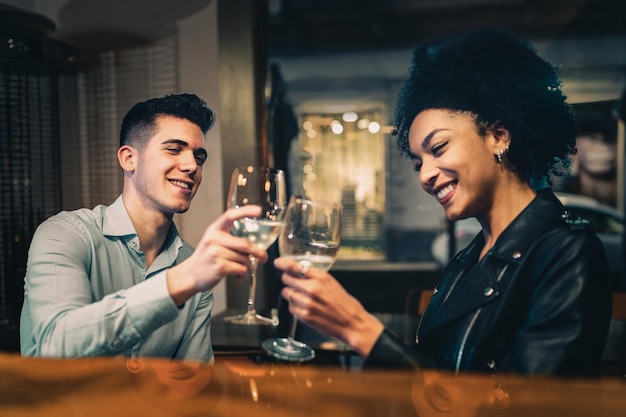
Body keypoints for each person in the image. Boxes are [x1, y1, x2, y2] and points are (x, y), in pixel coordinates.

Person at [274, 28, 613, 376]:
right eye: (419, 162)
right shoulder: (467, 260)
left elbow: (525, 404)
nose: (425, 175)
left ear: (498, 137)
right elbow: (436, 375)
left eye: (438, 149)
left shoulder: (567, 255)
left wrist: (360, 328)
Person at [20, 93, 267, 363]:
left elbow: (192, 381)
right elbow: (56, 345)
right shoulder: (64, 234)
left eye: (199, 156)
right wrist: (177, 284)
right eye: (174, 149)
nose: (192, 166)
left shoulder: (191, 264)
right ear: (129, 159)